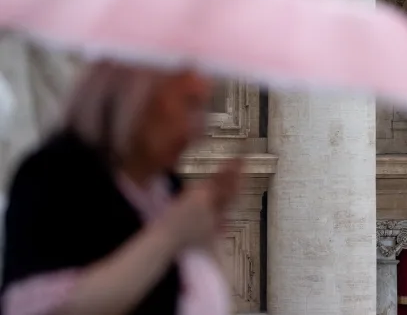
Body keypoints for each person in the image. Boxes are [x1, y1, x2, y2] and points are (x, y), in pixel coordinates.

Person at [0, 62, 243, 315]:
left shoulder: (166, 185)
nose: (198, 128)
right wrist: (171, 233)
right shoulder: (54, 176)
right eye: (189, 104)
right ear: (137, 97)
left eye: (204, 107)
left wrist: (205, 230)